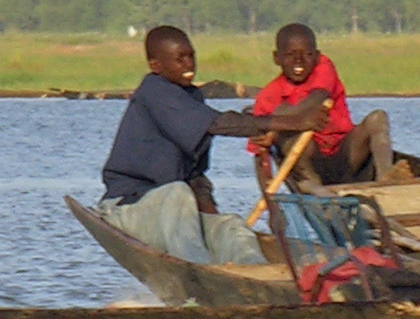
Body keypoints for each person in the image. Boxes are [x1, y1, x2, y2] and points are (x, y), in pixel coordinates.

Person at [97, 26, 329, 265]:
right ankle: (198, 273)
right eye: (180, 59)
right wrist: (292, 122)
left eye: (191, 56)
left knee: (232, 226)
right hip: (129, 208)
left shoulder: (192, 98)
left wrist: (211, 216)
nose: (189, 65)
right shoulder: (155, 91)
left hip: (175, 213)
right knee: (177, 192)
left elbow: (195, 174)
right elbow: (219, 123)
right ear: (157, 66)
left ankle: (257, 274)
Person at [249, 23, 394, 190]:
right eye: (290, 55)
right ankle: (315, 190)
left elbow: (318, 97)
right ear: (277, 58)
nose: (299, 61)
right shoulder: (268, 96)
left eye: (308, 54)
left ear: (317, 56)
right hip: (309, 163)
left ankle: (387, 183)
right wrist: (270, 204)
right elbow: (259, 154)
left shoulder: (323, 67)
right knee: (289, 141)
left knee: (378, 118)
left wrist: (273, 127)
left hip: (346, 154)